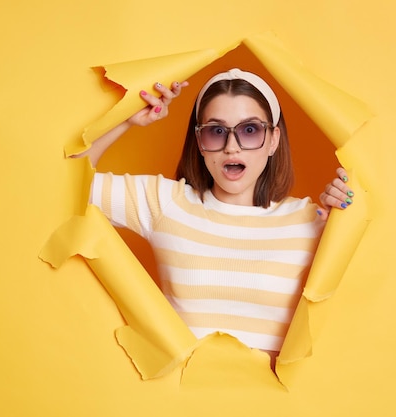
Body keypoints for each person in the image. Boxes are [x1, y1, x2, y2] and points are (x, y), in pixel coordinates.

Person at [78, 69, 354, 363]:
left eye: (250, 130)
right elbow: (65, 184)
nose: (231, 146)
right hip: (177, 401)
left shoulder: (311, 221)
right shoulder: (165, 203)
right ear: (199, 141)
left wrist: (347, 212)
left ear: (273, 139)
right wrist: (127, 119)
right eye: (216, 131)